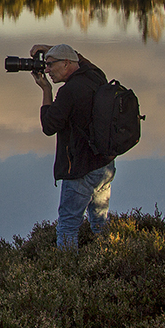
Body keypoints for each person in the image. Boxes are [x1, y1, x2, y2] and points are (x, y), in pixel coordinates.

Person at [30, 43, 116, 249]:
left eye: (50, 65)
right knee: (99, 221)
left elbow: (49, 126)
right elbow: (79, 56)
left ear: (66, 64)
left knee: (68, 225)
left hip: (80, 171)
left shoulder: (69, 92)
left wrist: (46, 90)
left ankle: (70, 272)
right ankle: (105, 256)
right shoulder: (96, 75)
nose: (47, 70)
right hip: (104, 165)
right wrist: (46, 47)